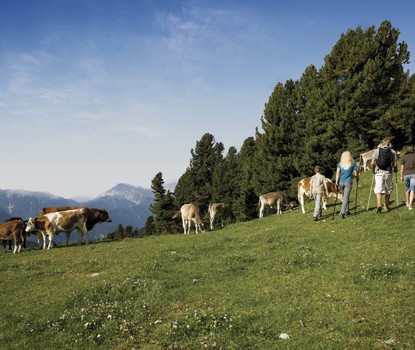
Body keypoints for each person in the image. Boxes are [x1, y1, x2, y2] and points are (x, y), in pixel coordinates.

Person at [370, 139, 398, 213]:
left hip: (378, 171)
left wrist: (373, 170)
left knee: (378, 188)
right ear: (389, 144)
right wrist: (395, 169)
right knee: (388, 188)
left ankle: (379, 202)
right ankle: (386, 205)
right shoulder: (393, 152)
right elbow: (394, 164)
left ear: (382, 144)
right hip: (388, 172)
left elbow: (372, 163)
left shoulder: (377, 151)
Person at [335, 151, 359, 219]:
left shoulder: (340, 164)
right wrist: (357, 178)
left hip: (341, 182)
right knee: (345, 197)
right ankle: (342, 212)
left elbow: (337, 173)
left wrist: (336, 182)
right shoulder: (353, 164)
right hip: (348, 182)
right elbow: (356, 174)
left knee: (345, 196)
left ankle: (347, 210)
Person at [400, 145, 415, 210]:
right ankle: (411, 205)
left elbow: (402, 168)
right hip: (414, 174)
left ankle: (407, 201)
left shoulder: (403, 158)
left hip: (406, 175)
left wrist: (401, 176)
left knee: (407, 188)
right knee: (412, 189)